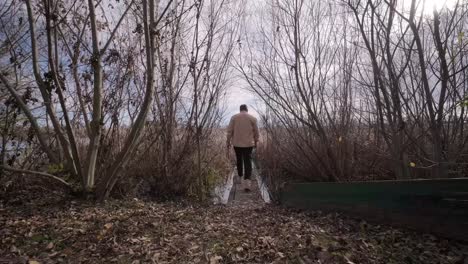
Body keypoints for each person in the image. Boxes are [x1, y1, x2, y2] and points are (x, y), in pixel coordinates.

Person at [226, 104, 259, 192]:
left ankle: (240, 177)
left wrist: (228, 141)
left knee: (239, 159)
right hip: (249, 144)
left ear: (240, 109)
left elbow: (229, 131)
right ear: (247, 110)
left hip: (237, 144)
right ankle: (247, 183)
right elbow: (256, 132)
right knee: (248, 161)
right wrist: (256, 142)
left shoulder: (234, 118)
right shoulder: (253, 118)